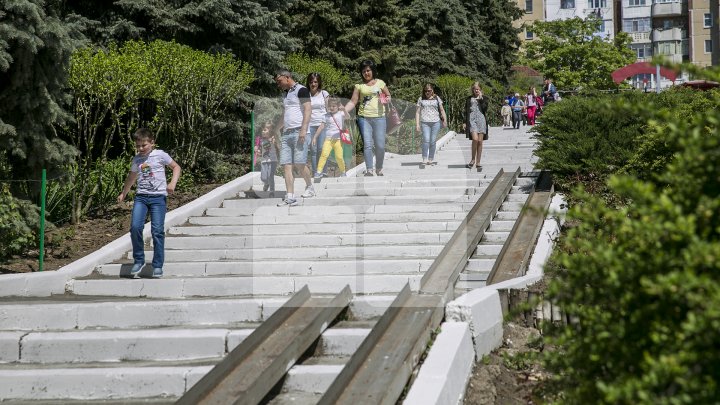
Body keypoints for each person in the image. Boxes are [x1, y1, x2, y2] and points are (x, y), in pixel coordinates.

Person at [117, 127, 181, 279]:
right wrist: (124, 193)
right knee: (134, 227)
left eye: (144, 145)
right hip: (141, 197)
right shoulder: (137, 159)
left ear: (152, 143)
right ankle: (139, 260)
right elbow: (132, 177)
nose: (140, 148)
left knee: (157, 231)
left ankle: (157, 265)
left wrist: (172, 184)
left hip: (158, 198)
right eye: (138, 146)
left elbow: (176, 167)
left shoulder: (160, 155)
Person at [274, 70, 315, 207]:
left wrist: (303, 129)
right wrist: (276, 129)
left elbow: (308, 109)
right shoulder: (285, 94)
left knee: (300, 164)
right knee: (287, 165)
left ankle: (310, 186)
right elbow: (285, 113)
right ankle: (290, 197)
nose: (278, 84)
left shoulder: (301, 90)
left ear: (287, 77)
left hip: (300, 132)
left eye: (279, 81)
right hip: (287, 133)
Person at [343, 60, 391, 176]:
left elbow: (388, 96)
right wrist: (344, 110)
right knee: (368, 144)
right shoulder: (359, 86)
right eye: (363, 71)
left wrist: (386, 99)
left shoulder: (380, 83)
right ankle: (369, 169)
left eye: (368, 70)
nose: (366, 73)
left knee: (380, 145)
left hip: (379, 117)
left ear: (372, 71)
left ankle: (379, 167)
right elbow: (353, 101)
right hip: (364, 118)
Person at [313, 98, 347, 177]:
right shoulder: (326, 116)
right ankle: (318, 172)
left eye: (333, 106)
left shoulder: (341, 114)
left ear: (338, 106)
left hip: (338, 139)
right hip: (328, 139)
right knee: (324, 155)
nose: (331, 108)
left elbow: (348, 117)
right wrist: (315, 137)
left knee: (339, 157)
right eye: (330, 106)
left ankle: (343, 172)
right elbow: (321, 126)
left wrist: (344, 110)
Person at [414, 83, 447, 166]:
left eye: (429, 91)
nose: (427, 92)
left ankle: (431, 158)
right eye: (425, 91)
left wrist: (445, 120)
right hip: (425, 122)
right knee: (426, 140)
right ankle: (424, 158)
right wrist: (417, 124)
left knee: (432, 141)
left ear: (432, 90)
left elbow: (442, 110)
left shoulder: (437, 98)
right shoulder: (421, 99)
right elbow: (417, 112)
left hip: (436, 122)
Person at [305, 73, 329, 176]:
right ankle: (316, 172)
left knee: (321, 148)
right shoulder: (306, 94)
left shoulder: (324, 93)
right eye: (311, 82)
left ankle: (323, 171)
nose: (313, 84)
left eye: (315, 82)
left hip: (322, 125)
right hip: (310, 125)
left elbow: (329, 110)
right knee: (313, 150)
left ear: (319, 83)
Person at [463, 82, 489, 170]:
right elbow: (465, 111)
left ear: (480, 89)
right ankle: (472, 159)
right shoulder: (469, 99)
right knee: (475, 139)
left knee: (480, 142)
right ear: (472, 89)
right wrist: (464, 122)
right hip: (472, 120)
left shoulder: (484, 98)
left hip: (481, 120)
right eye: (475, 89)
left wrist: (481, 99)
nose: (476, 90)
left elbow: (485, 109)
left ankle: (478, 162)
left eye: (478, 89)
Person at [259, 121, 279, 192]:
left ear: (270, 131)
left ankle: (272, 190)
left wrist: (274, 142)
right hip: (264, 161)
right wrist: (258, 151)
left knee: (270, 176)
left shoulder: (273, 138)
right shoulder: (261, 140)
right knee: (263, 178)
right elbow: (261, 149)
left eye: (265, 130)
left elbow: (277, 147)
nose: (262, 131)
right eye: (262, 130)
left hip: (273, 160)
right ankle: (266, 183)